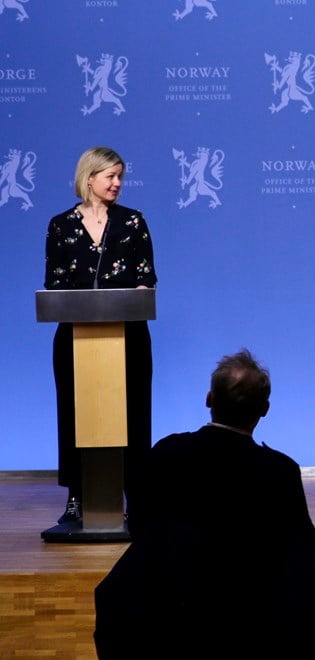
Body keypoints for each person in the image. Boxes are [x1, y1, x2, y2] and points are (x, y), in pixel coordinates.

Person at [93, 349, 315, 660]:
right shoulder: (278, 470)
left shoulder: (166, 452)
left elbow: (138, 525)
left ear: (209, 399)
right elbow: (308, 547)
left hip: (161, 597)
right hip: (249, 604)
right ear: (264, 409)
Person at [44, 146, 157, 524]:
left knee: (134, 414)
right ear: (88, 178)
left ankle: (136, 494)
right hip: (76, 340)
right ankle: (77, 495)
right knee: (76, 415)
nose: (117, 184)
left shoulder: (132, 222)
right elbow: (55, 285)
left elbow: (146, 279)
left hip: (129, 338)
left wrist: (135, 299)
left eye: (120, 176)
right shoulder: (60, 225)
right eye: (110, 176)